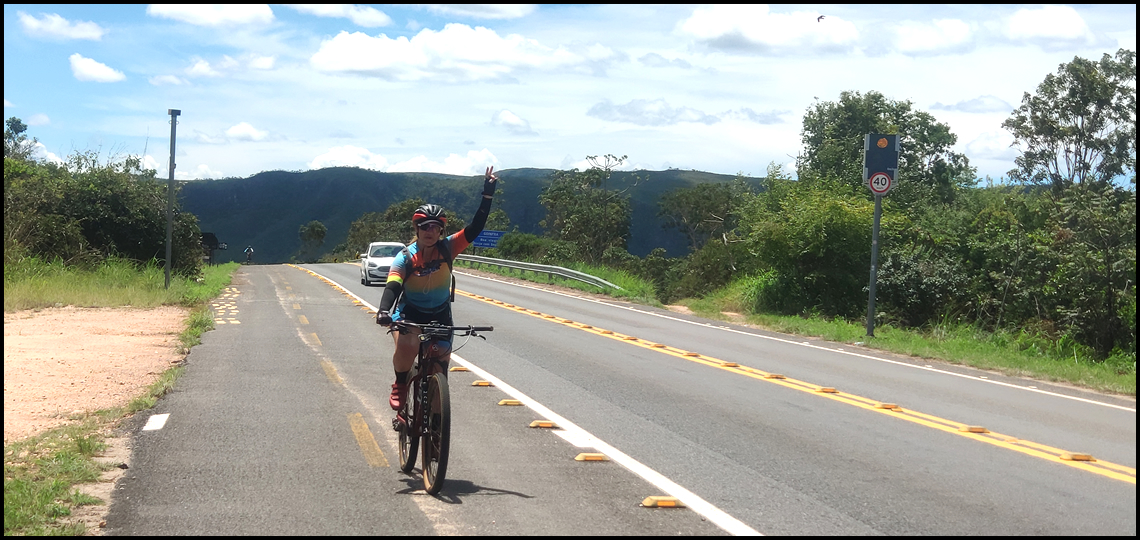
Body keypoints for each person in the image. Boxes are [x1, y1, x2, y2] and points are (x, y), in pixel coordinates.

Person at [376, 166, 498, 410]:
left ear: (442, 230)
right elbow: (393, 285)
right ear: (416, 229)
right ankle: (400, 383)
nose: (429, 231)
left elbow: (475, 228)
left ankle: (434, 420)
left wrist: (487, 195)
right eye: (424, 226)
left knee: (439, 368)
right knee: (408, 346)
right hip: (410, 313)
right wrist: (384, 310)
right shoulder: (405, 257)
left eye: (434, 227)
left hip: (440, 314)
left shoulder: (449, 248)